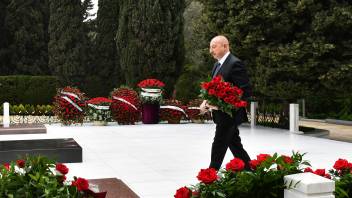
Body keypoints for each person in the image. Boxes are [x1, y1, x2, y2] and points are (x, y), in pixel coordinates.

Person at [200, 35, 252, 170]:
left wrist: (222, 104)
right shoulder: (216, 65)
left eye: (214, 47)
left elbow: (244, 91)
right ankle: (251, 169)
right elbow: (213, 89)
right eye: (210, 47)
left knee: (219, 144)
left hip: (230, 115)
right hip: (221, 115)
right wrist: (206, 101)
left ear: (225, 46)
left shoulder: (235, 63)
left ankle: (210, 176)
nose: (211, 50)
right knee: (235, 145)